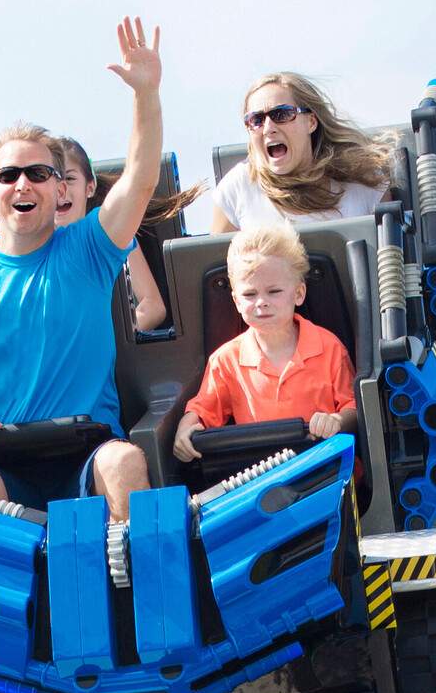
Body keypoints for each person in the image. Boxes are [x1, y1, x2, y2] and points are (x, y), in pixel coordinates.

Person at [0, 16, 163, 523]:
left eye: (39, 173)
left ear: (61, 190)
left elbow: (141, 177)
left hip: (88, 452)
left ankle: (137, 588)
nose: (24, 184)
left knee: (125, 461)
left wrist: (145, 95)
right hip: (3, 460)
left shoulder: (88, 249)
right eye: (9, 175)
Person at [172, 223, 356, 464]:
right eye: (250, 294)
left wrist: (336, 421)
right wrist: (185, 430)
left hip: (325, 469)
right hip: (259, 477)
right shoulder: (226, 360)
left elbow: (353, 408)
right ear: (236, 301)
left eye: (274, 291)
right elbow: (203, 410)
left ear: (299, 293)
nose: (261, 302)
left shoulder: (329, 347)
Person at [209, 72, 395, 231]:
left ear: (311, 122)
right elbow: (214, 268)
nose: (268, 128)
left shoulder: (365, 185)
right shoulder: (237, 189)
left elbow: (394, 265)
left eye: (281, 114)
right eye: (256, 120)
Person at [52, 135, 200, 332]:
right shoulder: (30, 247)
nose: (61, 190)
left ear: (90, 187)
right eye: (52, 180)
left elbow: (153, 306)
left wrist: (107, 337)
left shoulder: (114, 234)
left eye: (69, 179)